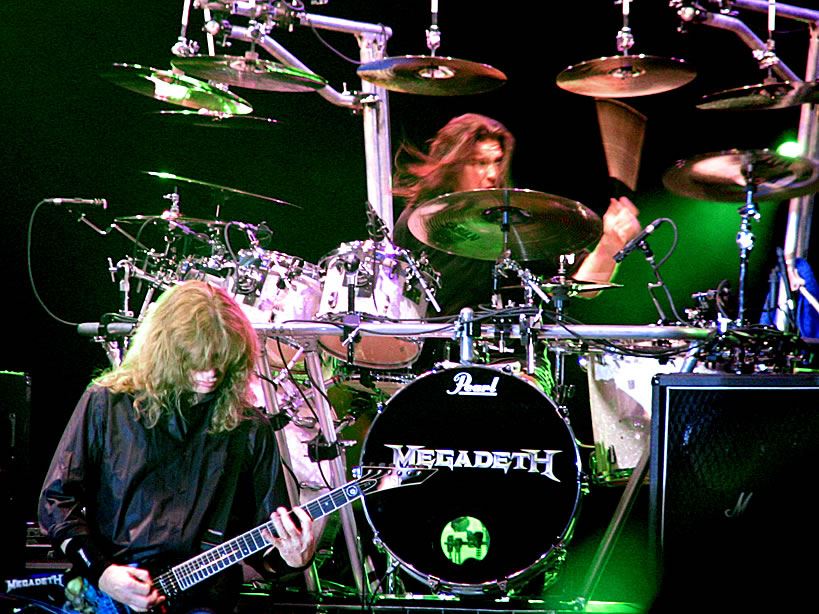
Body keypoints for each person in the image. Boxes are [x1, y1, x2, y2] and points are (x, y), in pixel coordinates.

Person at [38, 280, 317, 613]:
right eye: (197, 360)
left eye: (222, 359)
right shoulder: (108, 403)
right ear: (167, 352)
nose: (211, 372)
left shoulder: (250, 429)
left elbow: (265, 549)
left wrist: (293, 558)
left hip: (204, 602)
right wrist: (103, 573)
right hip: (108, 595)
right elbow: (56, 501)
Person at [392, 113, 642, 317]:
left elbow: (586, 287)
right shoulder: (418, 220)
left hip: (512, 353)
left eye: (497, 161)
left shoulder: (518, 220)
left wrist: (611, 242)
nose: (492, 174)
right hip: (438, 351)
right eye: (480, 163)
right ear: (453, 164)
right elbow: (396, 299)